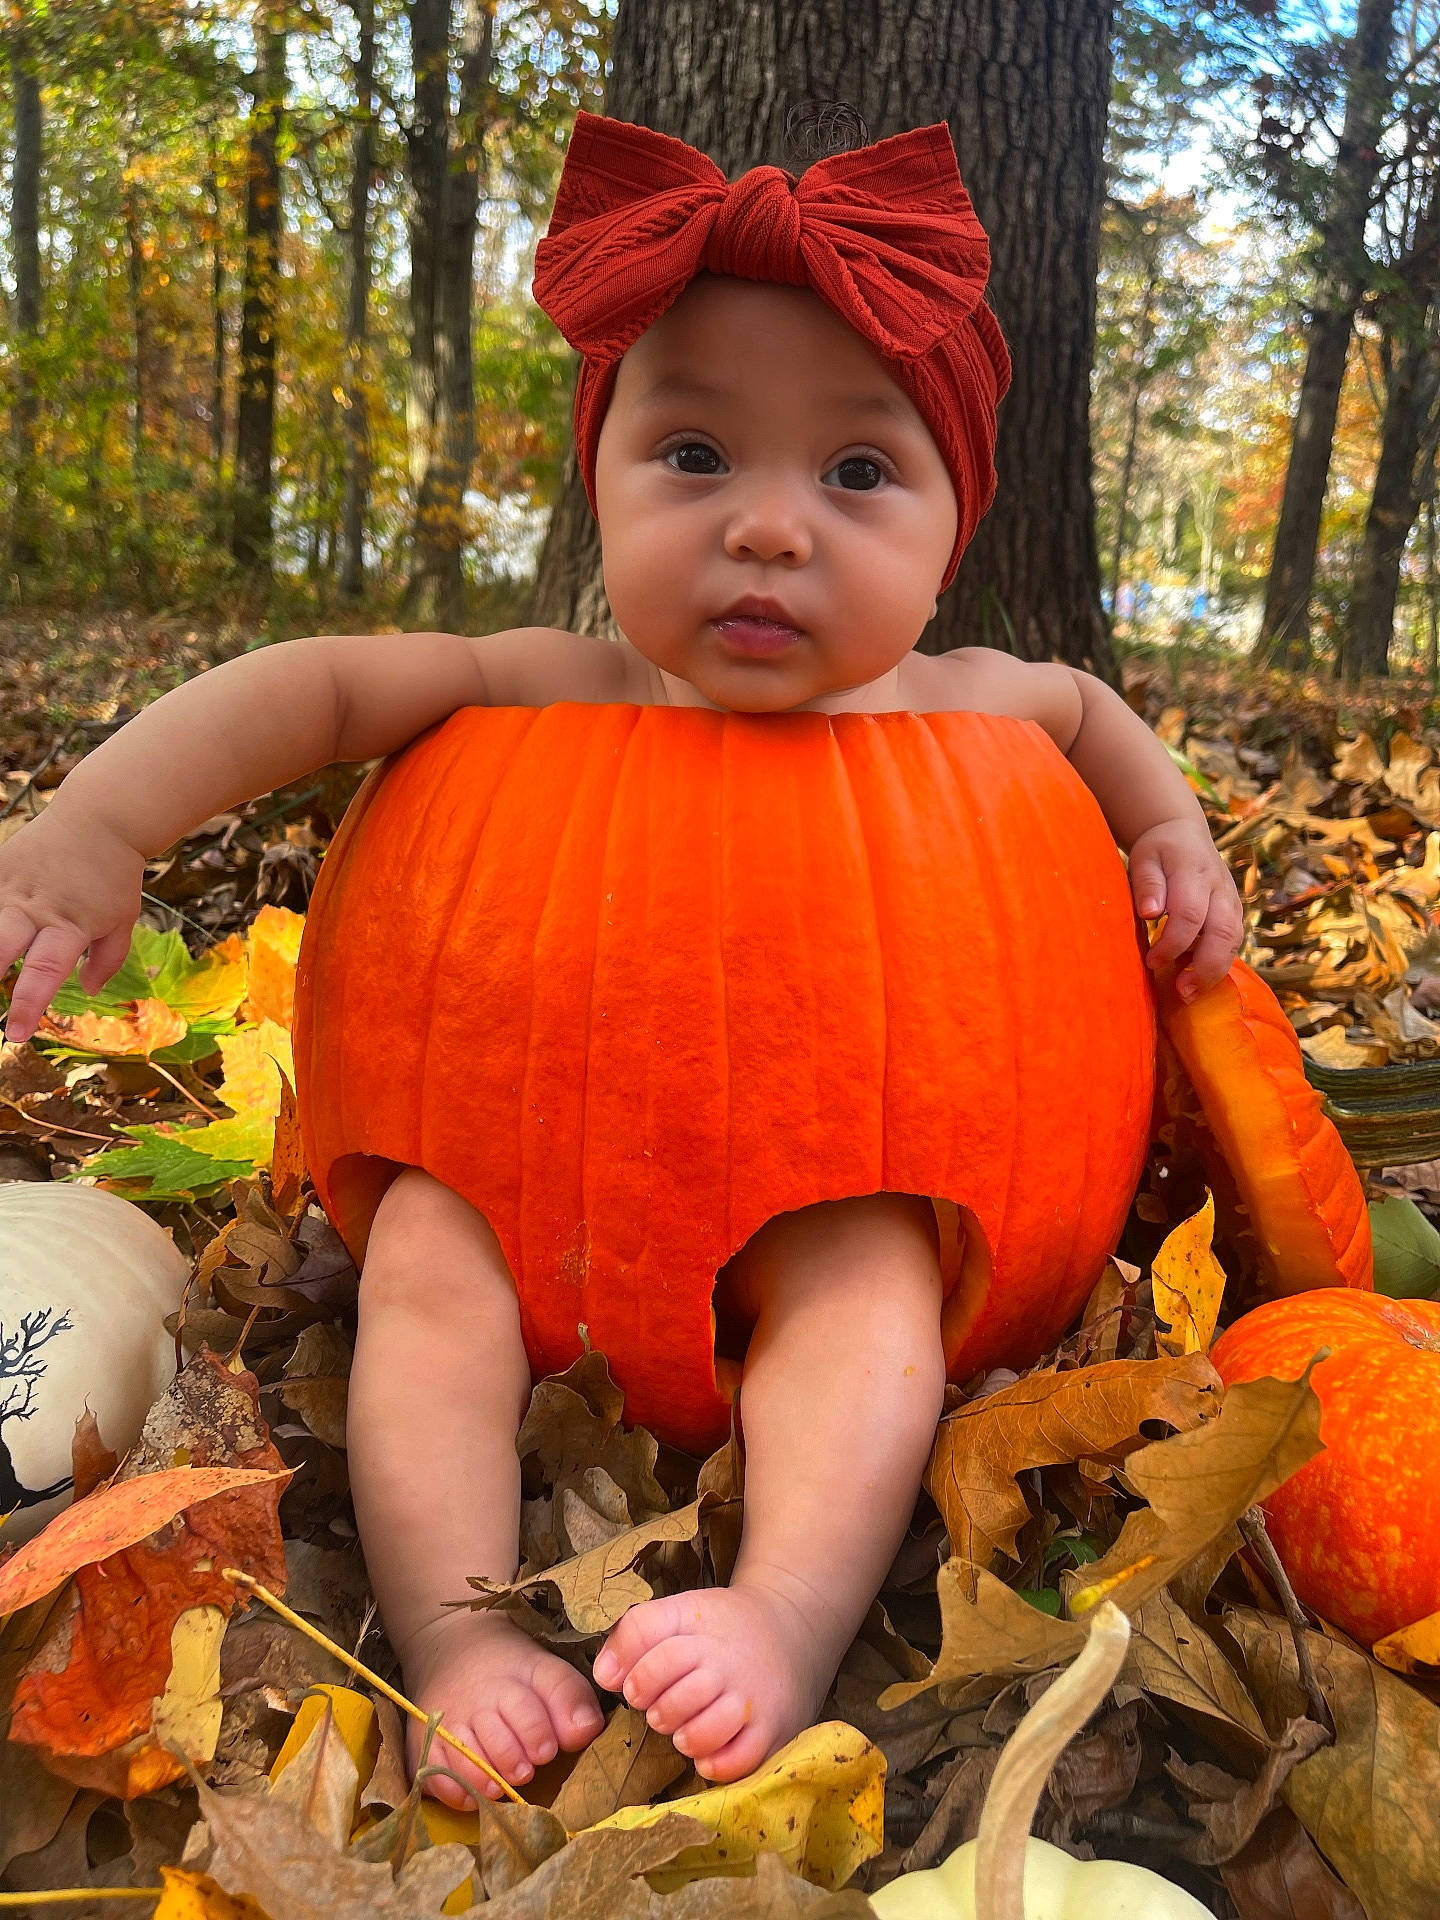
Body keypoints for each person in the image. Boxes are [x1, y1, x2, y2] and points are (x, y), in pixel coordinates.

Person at [0, 110, 1243, 1806]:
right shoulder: (540, 686)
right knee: (427, 1263)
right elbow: (316, 685)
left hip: (837, 1178)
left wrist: (1168, 832)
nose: (771, 528)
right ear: (601, 478)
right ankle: (451, 1632)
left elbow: (1101, 717)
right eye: (696, 456)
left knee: (875, 1279)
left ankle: (787, 1613)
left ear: (959, 524)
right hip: (534, 1192)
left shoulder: (976, 713)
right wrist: (101, 821)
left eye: (858, 472)